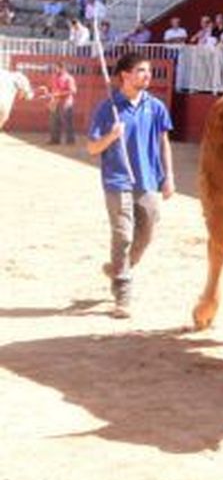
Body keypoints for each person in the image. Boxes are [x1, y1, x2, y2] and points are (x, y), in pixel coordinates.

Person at [86, 54, 175, 319]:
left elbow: (163, 143)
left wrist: (168, 176)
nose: (147, 75)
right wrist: (112, 136)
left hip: (148, 179)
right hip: (117, 179)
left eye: (148, 71)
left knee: (146, 234)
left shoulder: (156, 107)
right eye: (141, 71)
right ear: (124, 75)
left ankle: (119, 267)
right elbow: (92, 148)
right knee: (123, 235)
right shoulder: (108, 108)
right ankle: (123, 292)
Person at [47, 61, 77, 145]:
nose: (55, 69)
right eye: (55, 68)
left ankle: (70, 140)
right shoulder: (54, 77)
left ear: (63, 68)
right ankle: (55, 139)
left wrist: (59, 94)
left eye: (57, 68)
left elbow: (73, 91)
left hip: (66, 103)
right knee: (54, 121)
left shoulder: (69, 78)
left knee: (67, 121)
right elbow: (52, 89)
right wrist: (51, 96)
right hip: (55, 102)